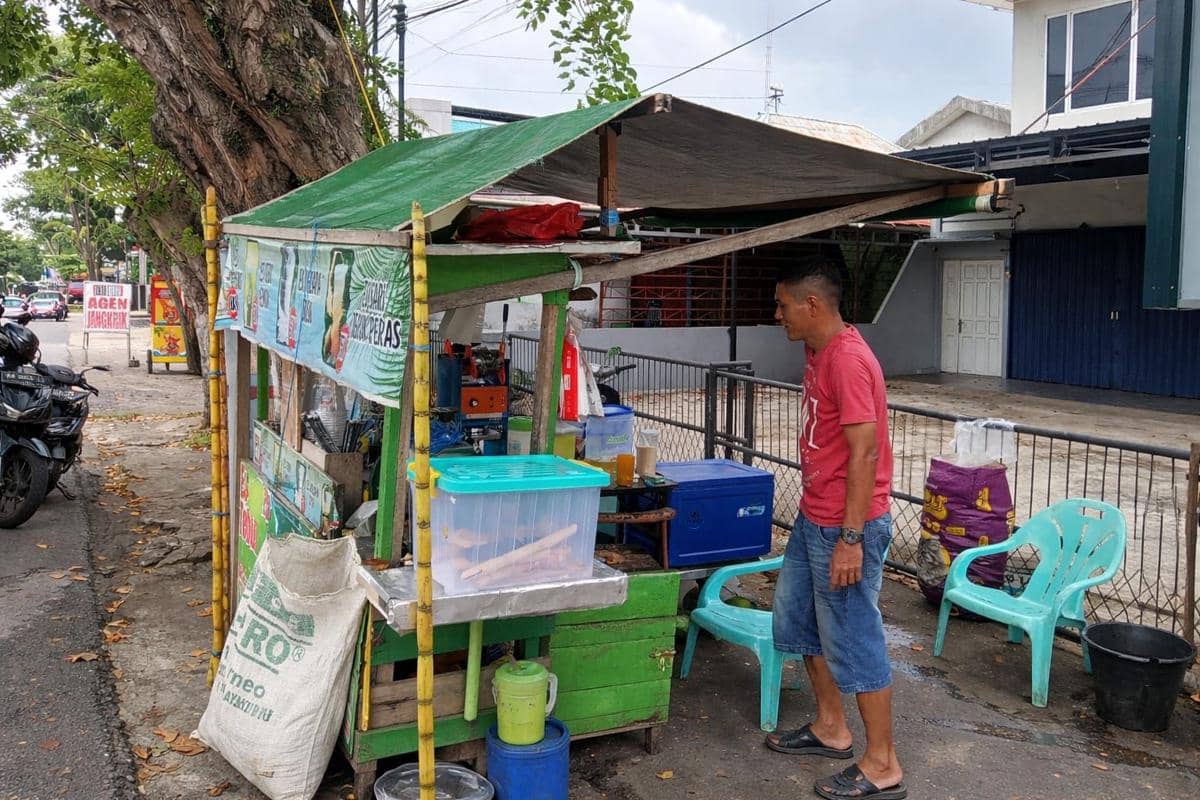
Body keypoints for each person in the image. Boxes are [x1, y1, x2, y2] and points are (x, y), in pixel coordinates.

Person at [767, 261, 905, 800]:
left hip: (847, 526)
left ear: (812, 305)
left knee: (853, 636)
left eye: (783, 305)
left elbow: (865, 451)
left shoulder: (847, 360)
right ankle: (831, 727)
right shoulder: (818, 349)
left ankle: (883, 763)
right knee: (799, 620)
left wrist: (851, 539)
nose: (777, 315)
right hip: (815, 515)